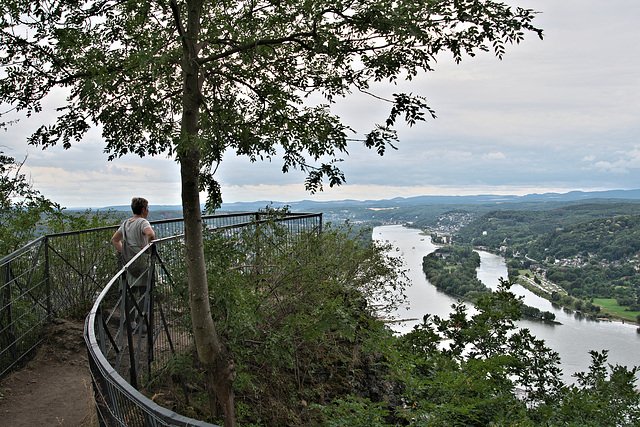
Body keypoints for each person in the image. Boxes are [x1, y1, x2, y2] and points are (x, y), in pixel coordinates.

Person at [111, 197, 156, 331]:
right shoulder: (143, 222)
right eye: (147, 208)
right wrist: (148, 248)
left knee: (129, 293)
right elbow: (151, 234)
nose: (148, 211)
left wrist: (124, 252)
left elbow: (115, 239)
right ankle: (143, 324)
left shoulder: (126, 223)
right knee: (144, 293)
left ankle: (131, 323)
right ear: (143, 210)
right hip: (141, 261)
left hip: (128, 261)